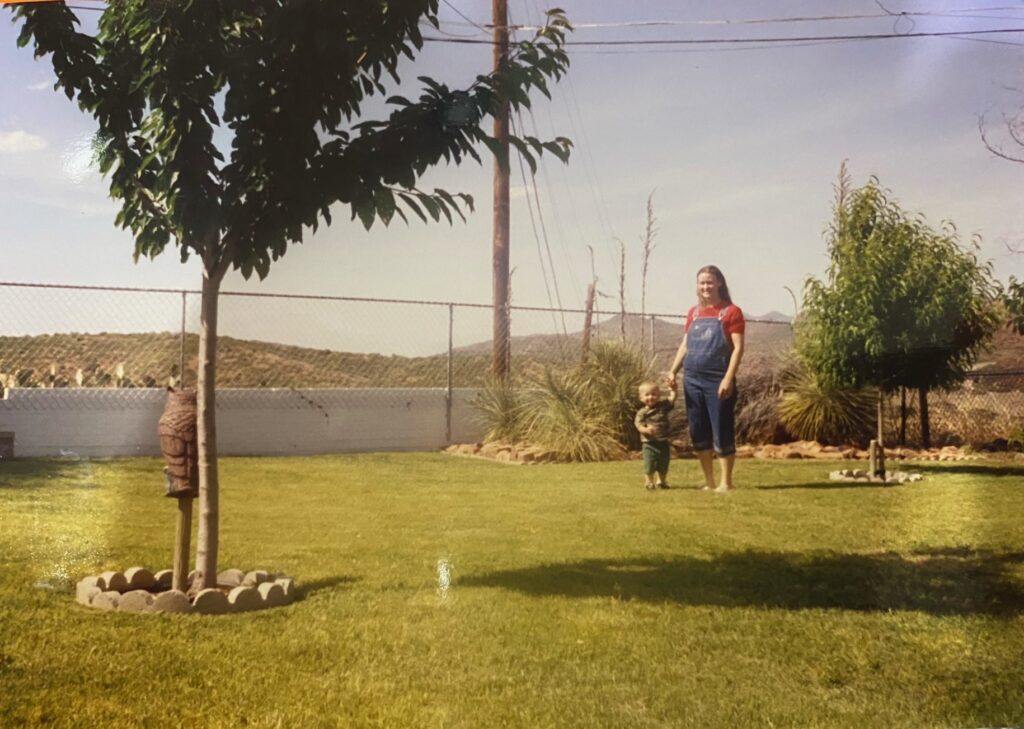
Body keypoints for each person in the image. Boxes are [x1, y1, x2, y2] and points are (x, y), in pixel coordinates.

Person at [667, 265, 745, 492]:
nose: (706, 287)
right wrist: (673, 370)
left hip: (717, 379)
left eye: (710, 282)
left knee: (721, 429)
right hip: (692, 379)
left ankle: (725, 482)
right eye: (702, 283)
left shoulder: (731, 312)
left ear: (719, 283)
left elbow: (738, 349)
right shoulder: (694, 313)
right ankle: (709, 481)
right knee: (698, 430)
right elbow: (685, 344)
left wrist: (728, 379)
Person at [634, 379, 678, 491]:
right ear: (641, 398)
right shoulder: (642, 412)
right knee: (650, 463)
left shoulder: (663, 406)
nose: (651, 397)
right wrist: (644, 429)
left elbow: (672, 398)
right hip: (649, 443)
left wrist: (673, 390)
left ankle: (662, 481)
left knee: (664, 462)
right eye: (647, 395)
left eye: (654, 394)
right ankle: (649, 481)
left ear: (658, 396)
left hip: (663, 441)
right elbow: (638, 424)